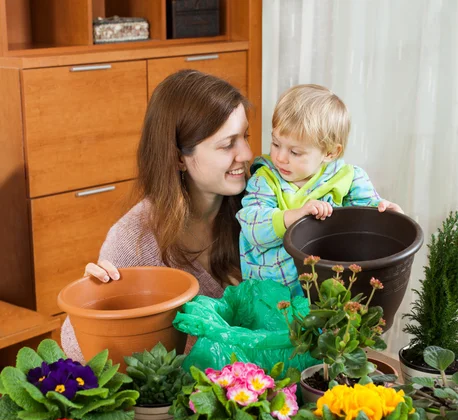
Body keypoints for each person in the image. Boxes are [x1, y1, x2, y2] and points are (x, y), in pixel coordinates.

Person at [61, 69, 252, 361]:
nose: (247, 154)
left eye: (245, 137)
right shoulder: (132, 241)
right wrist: (94, 303)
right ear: (178, 158)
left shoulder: (259, 207)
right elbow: (77, 350)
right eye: (228, 144)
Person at [236, 84, 403, 296]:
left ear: (331, 152)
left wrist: (386, 214)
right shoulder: (265, 179)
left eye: (295, 152)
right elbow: (253, 226)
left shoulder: (349, 178)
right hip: (272, 298)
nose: (280, 157)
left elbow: (367, 219)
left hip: (326, 294)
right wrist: (295, 215)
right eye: (276, 144)